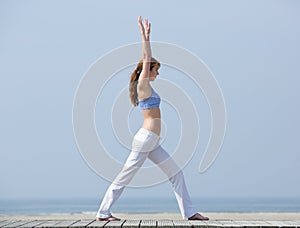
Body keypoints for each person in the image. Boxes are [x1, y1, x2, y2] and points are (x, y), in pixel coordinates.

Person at [96, 16, 209, 221]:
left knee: (176, 173)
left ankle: (189, 212)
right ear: (148, 70)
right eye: (156, 69)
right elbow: (146, 57)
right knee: (125, 176)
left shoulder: (148, 87)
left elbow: (147, 60)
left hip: (153, 141)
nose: (158, 72)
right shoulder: (143, 85)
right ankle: (103, 212)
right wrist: (145, 36)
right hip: (145, 139)